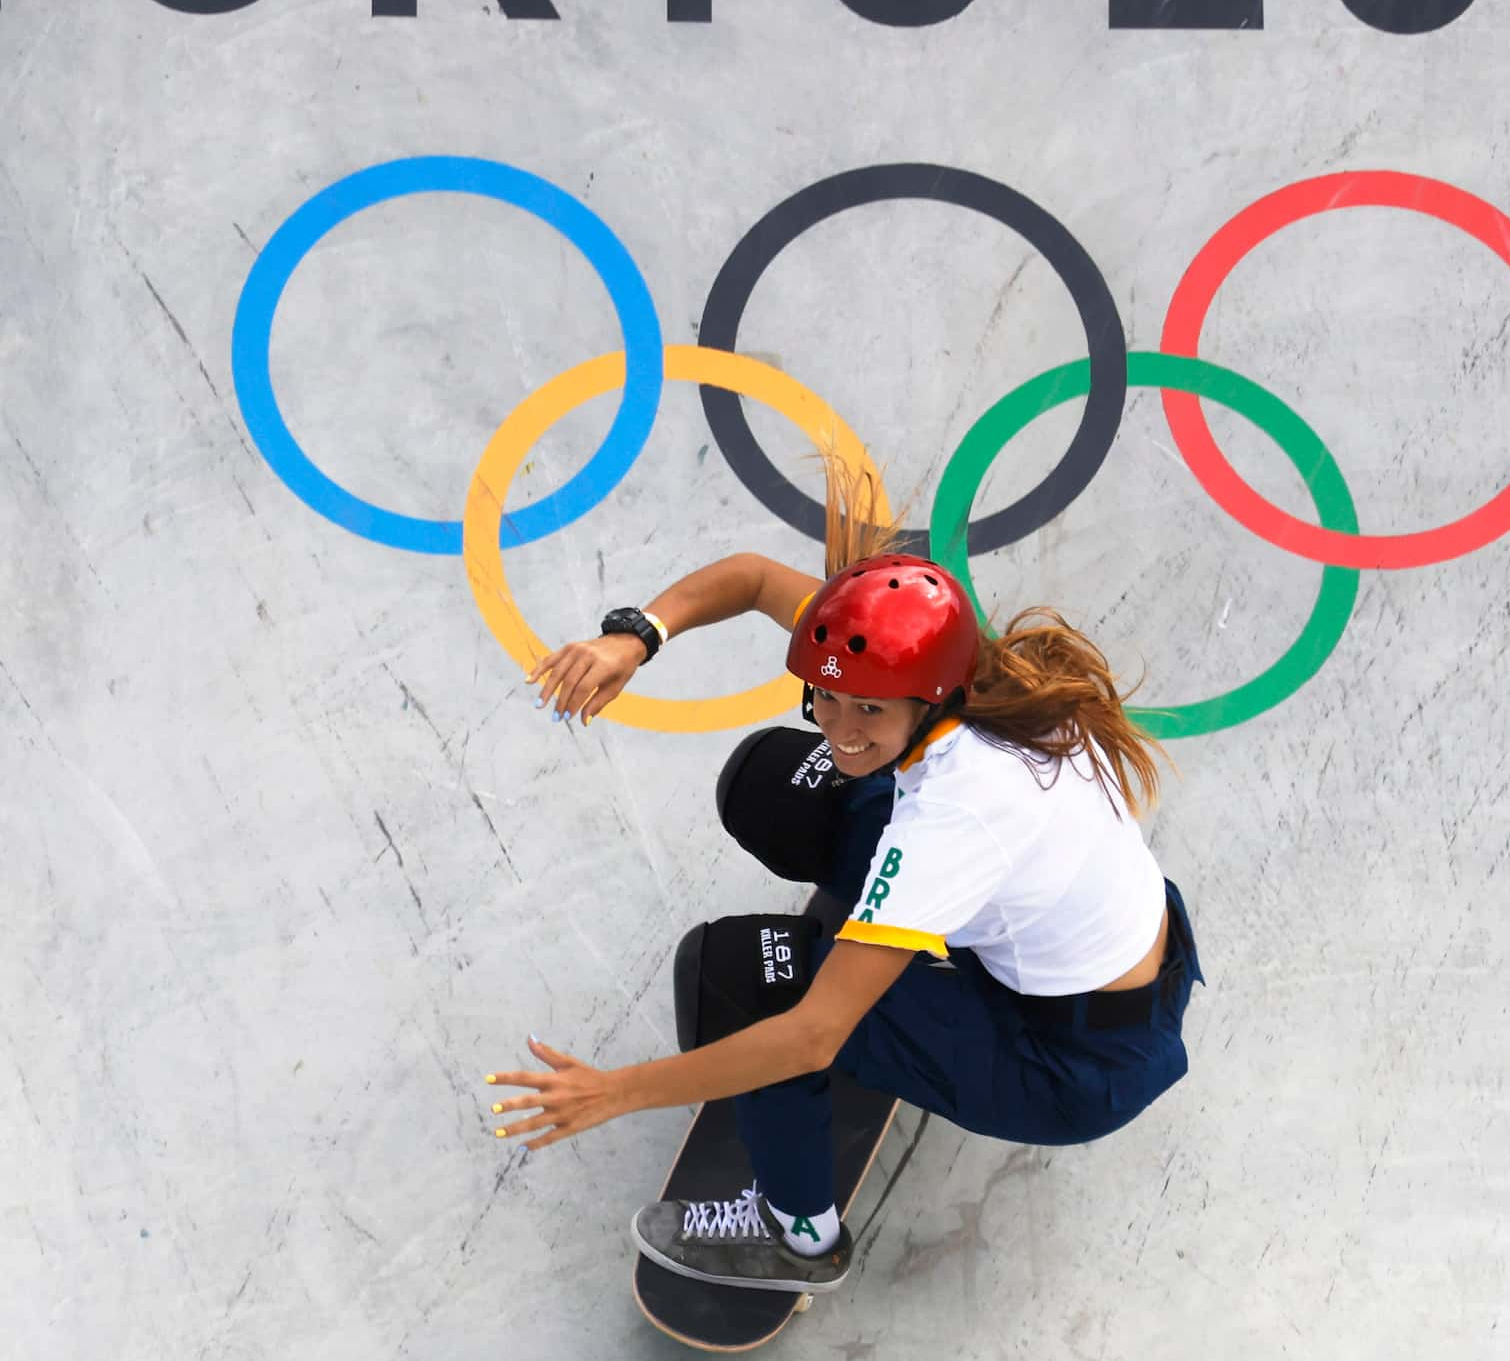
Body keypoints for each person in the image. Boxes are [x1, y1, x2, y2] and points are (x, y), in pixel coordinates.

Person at [486, 466, 1204, 1295]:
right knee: (769, 782)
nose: (840, 727)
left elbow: (808, 1039)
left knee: (744, 978)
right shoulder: (964, 670)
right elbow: (752, 578)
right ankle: (884, 943)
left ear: (927, 699)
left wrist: (614, 1093)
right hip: (1106, 961)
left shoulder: (957, 817)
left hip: (1065, 1063)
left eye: (868, 711)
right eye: (825, 701)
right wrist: (633, 635)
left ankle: (797, 1238)